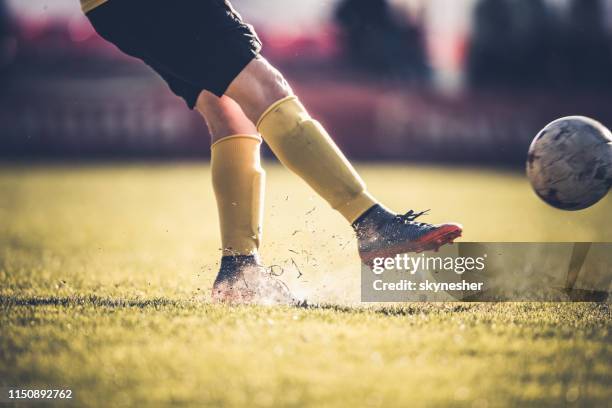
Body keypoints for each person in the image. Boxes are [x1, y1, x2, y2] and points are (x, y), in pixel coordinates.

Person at [81, 0, 462, 304]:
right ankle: (373, 225)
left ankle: (240, 273)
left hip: (109, 9)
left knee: (229, 113)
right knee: (267, 87)